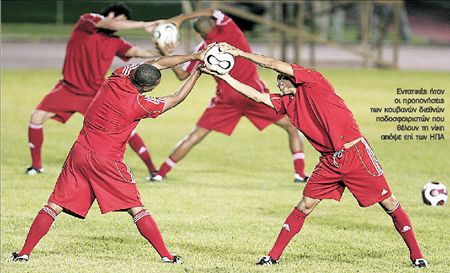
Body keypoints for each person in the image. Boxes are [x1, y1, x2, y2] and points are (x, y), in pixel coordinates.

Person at [200, 42, 428, 268]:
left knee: (389, 203)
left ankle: (417, 256)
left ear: (292, 77)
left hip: (355, 154)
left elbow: (271, 63)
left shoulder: (313, 80)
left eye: (281, 78)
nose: (278, 82)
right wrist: (225, 76)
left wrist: (240, 53)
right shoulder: (287, 103)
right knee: (305, 205)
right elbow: (258, 97)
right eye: (278, 80)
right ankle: (272, 257)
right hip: (329, 161)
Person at [10, 48, 210, 263]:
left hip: (79, 152)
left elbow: (159, 61)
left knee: (54, 205)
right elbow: (176, 98)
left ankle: (23, 254)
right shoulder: (140, 104)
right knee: (136, 208)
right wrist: (197, 72)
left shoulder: (117, 77)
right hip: (106, 160)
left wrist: (193, 56)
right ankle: (167, 257)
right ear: (148, 87)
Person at [150, 9, 308, 183]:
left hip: (226, 98)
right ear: (213, 24)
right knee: (291, 127)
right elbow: (212, 10)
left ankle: (160, 174)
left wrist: (167, 53)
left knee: (195, 136)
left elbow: (182, 75)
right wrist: (179, 19)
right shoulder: (229, 29)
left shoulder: (201, 49)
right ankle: (299, 174)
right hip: (252, 93)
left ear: (198, 33)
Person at [27, 3, 164, 176]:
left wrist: (162, 48)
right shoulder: (87, 23)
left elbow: (139, 52)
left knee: (125, 128)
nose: (121, 26)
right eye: (122, 21)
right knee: (37, 117)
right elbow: (112, 24)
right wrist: (145, 25)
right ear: (112, 14)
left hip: (96, 94)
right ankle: (36, 166)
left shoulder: (115, 42)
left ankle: (153, 170)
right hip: (68, 88)